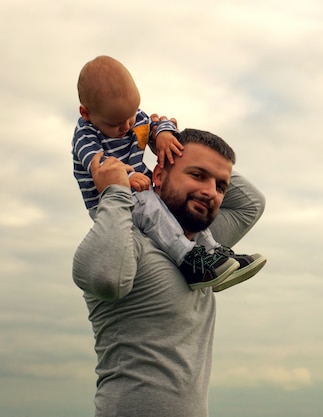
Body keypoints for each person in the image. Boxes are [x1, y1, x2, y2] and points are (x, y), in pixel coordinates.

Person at [73, 127, 264, 416]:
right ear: (158, 176)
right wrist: (115, 192)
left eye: (221, 186)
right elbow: (104, 278)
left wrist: (165, 140)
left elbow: (252, 203)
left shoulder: (202, 255)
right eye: (197, 175)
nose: (210, 192)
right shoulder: (129, 240)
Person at [72, 55, 265, 291]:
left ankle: (212, 254)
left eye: (131, 115)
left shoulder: (131, 118)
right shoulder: (86, 135)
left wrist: (165, 138)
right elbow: (102, 168)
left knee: (176, 217)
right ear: (86, 113)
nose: (126, 127)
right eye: (115, 123)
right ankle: (188, 259)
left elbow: (155, 124)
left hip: (142, 189)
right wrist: (128, 180)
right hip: (113, 198)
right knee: (151, 208)